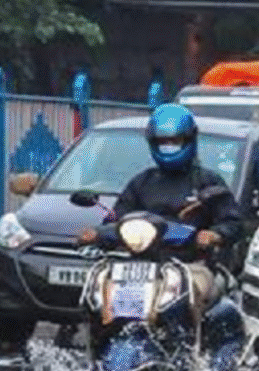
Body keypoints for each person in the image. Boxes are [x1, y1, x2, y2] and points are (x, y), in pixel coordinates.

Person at [77, 104, 243, 333]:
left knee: (190, 294)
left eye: (174, 141)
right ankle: (98, 342)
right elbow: (117, 220)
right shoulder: (141, 183)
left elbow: (233, 222)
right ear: (152, 143)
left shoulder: (208, 182)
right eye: (162, 142)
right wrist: (97, 234)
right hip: (139, 266)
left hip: (191, 264)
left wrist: (214, 234)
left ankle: (188, 353)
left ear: (189, 140)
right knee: (100, 292)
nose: (168, 147)